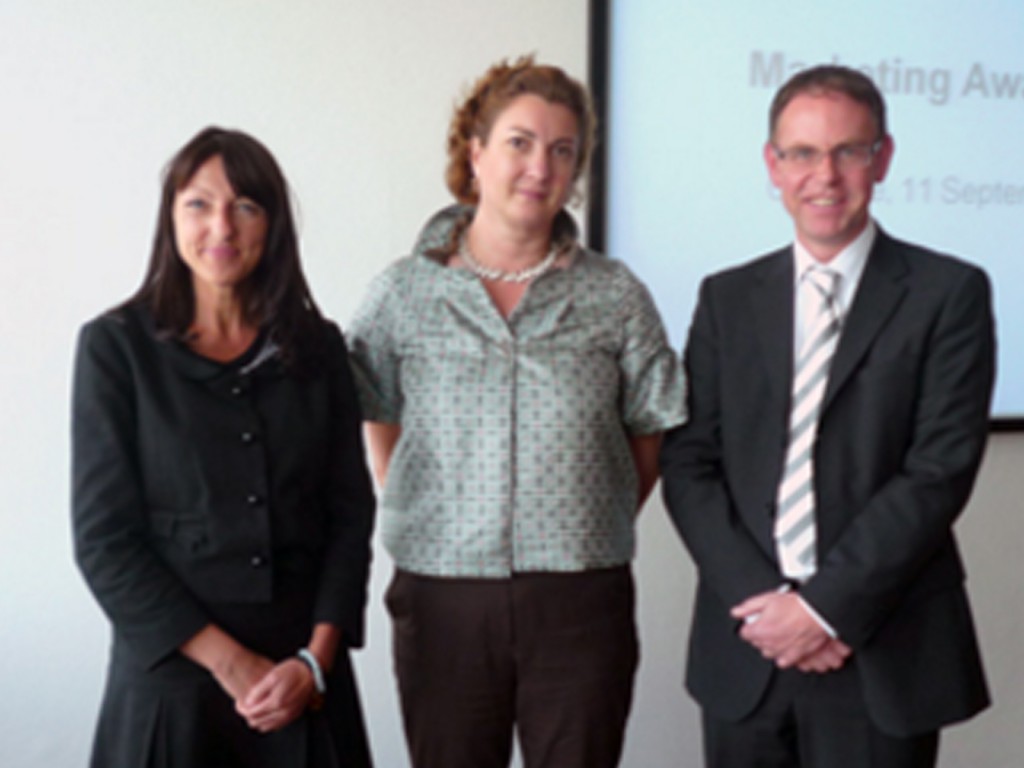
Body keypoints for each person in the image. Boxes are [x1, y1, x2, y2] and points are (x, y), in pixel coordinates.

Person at [346, 56, 686, 768]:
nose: (541, 166)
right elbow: (377, 411)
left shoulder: (616, 294)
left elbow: (649, 429)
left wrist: (588, 514)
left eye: (564, 151)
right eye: (520, 143)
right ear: (475, 154)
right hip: (441, 593)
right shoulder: (402, 292)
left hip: (580, 596)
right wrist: (432, 505)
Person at [660, 64, 995, 768]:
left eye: (849, 150)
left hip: (880, 646)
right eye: (803, 153)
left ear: (884, 159)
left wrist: (822, 611)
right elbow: (689, 462)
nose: (826, 175)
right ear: (772, 166)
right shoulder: (725, 299)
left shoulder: (948, 292)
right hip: (747, 648)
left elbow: (939, 471)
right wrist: (765, 606)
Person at [71, 127, 376, 768]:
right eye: (199, 204)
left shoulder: (319, 349)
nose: (222, 226)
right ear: (171, 218)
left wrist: (314, 664)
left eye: (245, 205)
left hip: (301, 681)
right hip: (172, 683)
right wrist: (232, 665)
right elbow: (104, 541)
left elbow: (350, 516)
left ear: (272, 224)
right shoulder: (116, 349)